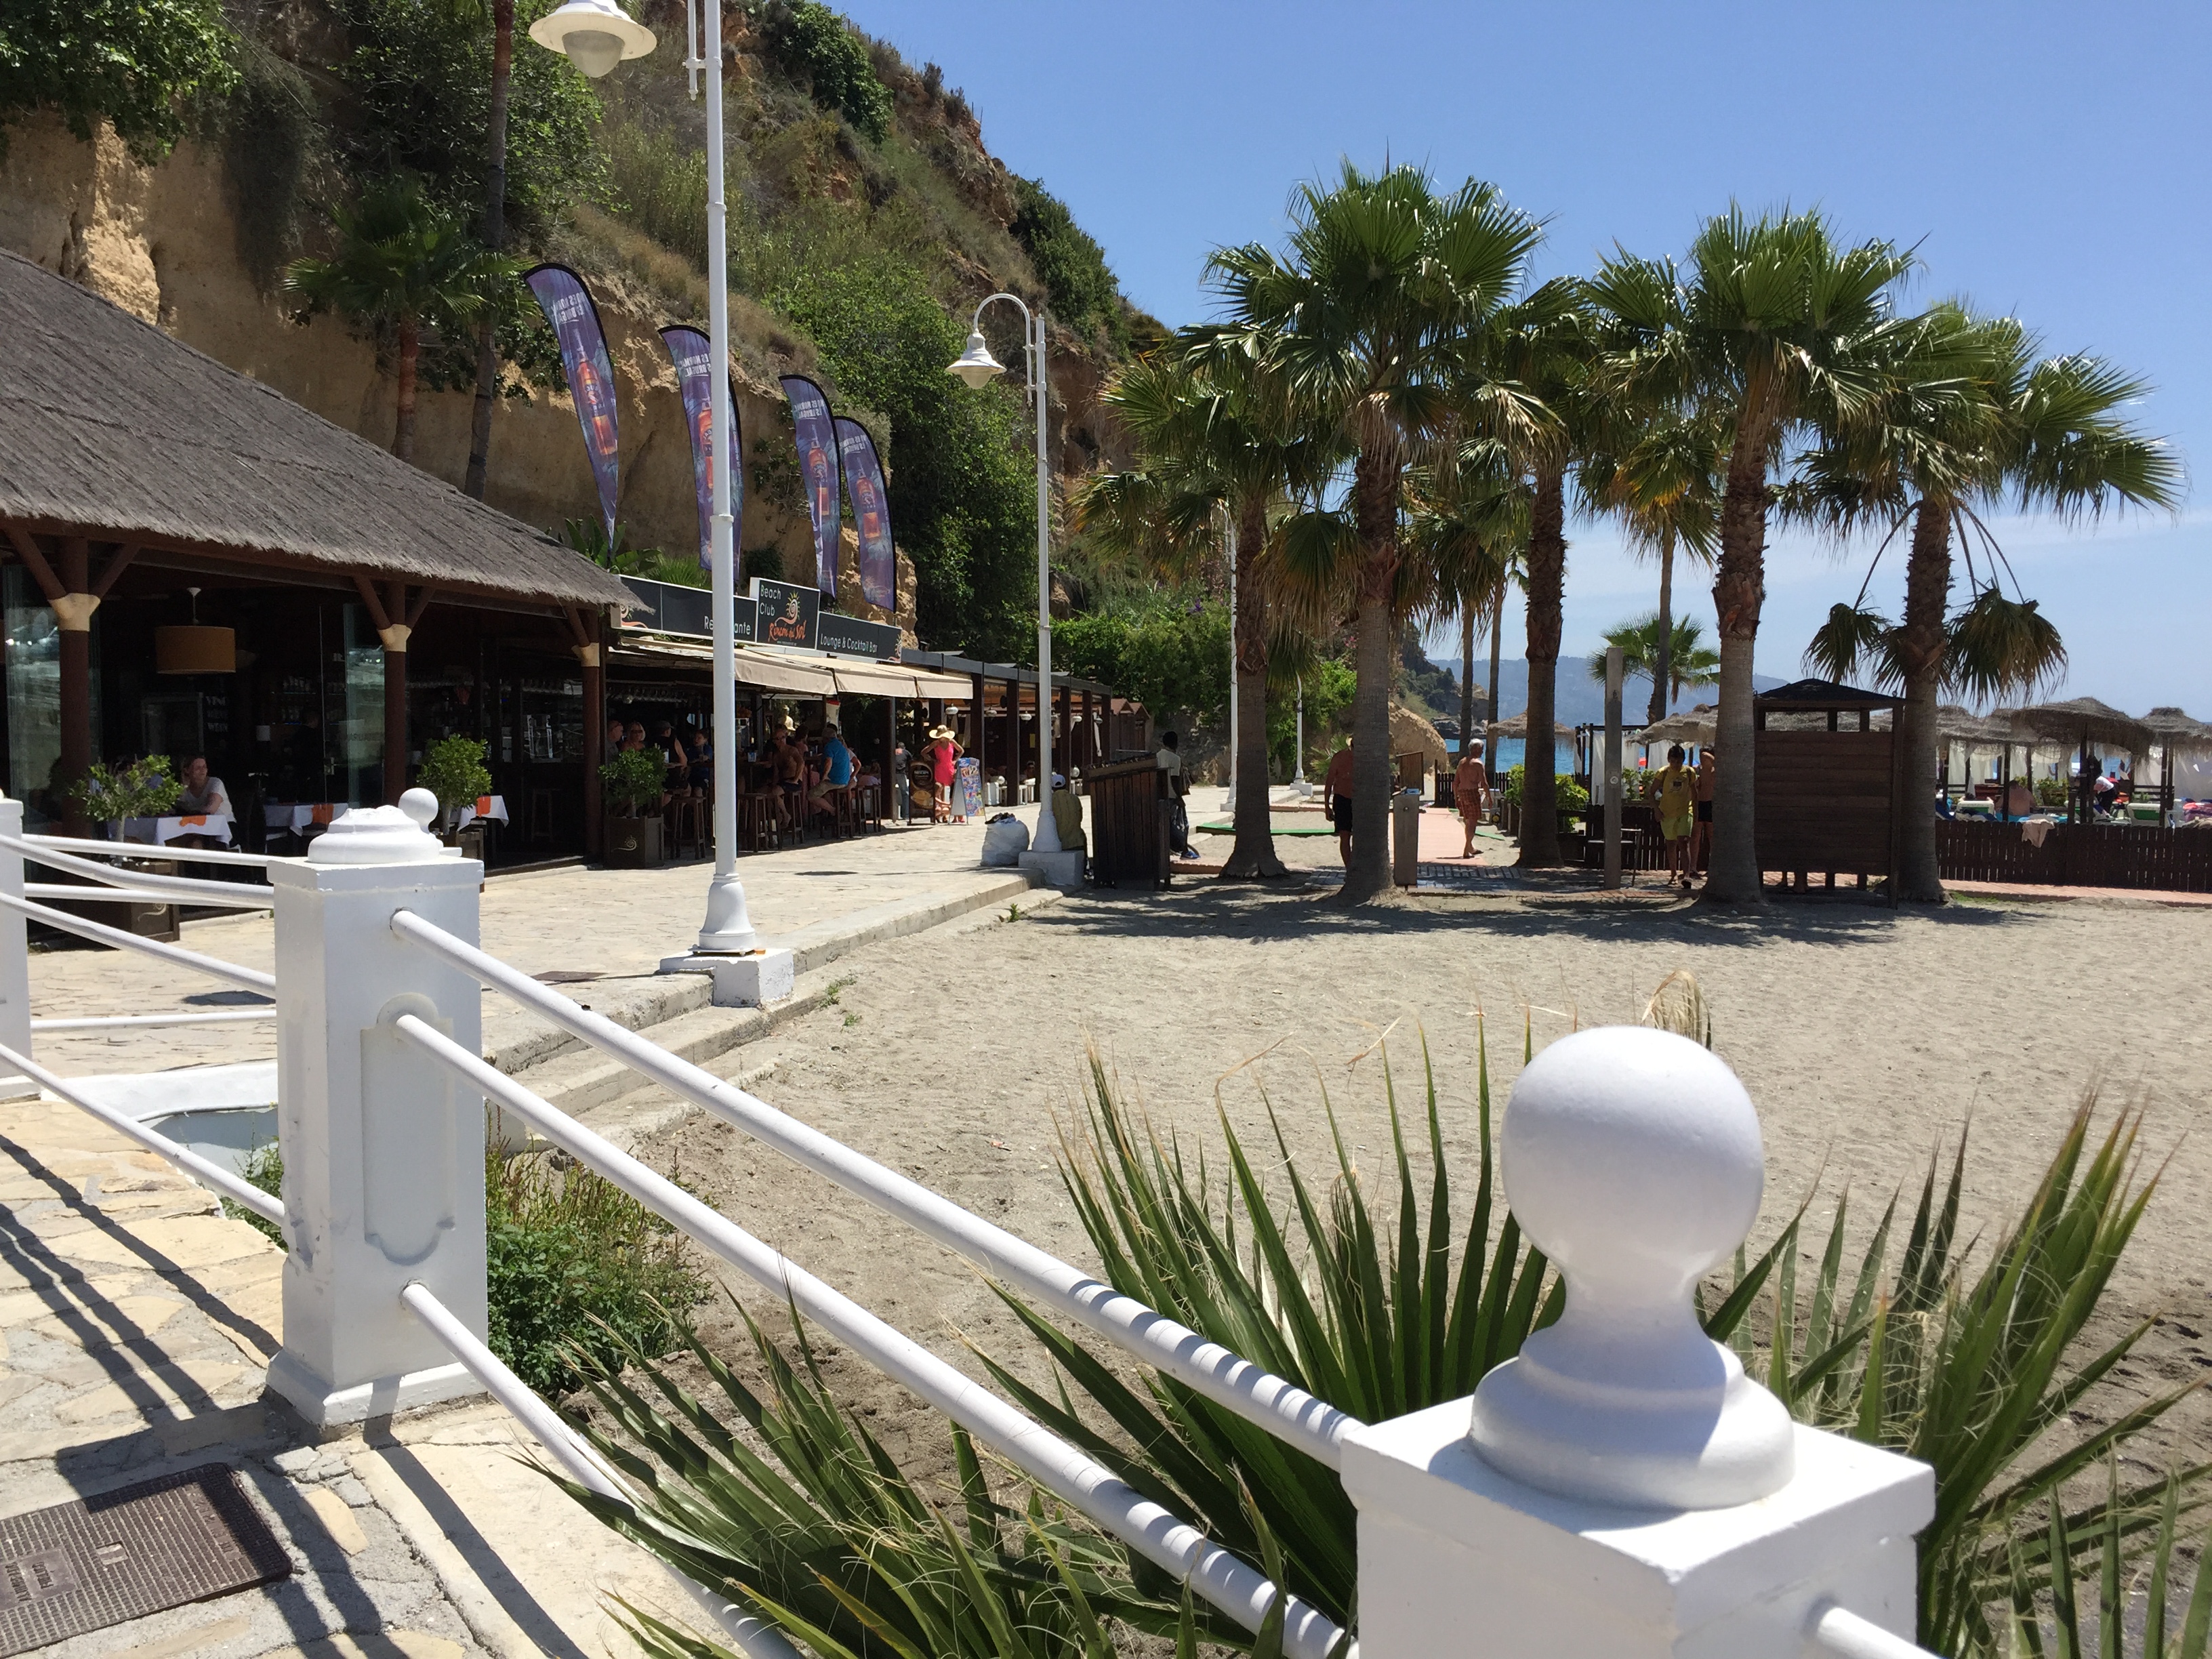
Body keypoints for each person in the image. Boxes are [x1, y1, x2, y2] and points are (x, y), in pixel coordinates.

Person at [1650, 743, 1697, 890]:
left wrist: (1696, 813)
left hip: (1685, 811)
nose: (1676, 764)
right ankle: (1673, 873)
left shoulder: (1689, 772)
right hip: (1667, 813)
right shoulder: (1663, 773)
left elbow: (1695, 794)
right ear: (1669, 760)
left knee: (1684, 842)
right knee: (1671, 844)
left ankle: (1687, 875)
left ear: (1683, 760)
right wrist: (1657, 810)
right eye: (1673, 761)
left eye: (1679, 761)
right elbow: (1651, 792)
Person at [1156, 731, 1196, 859]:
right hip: (1172, 797)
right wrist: (1179, 798)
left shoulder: (1157, 756)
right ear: (1175, 743)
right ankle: (1184, 851)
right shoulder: (1175, 759)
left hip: (1161, 797)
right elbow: (1174, 780)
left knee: (1164, 826)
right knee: (1183, 824)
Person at [1322, 738, 1356, 868]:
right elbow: (1329, 782)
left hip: (1359, 801)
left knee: (1360, 836)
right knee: (1345, 835)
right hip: (1342, 799)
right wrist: (1327, 806)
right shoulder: (1339, 758)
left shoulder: (1366, 760)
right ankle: (1349, 869)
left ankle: (1357, 867)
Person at [1453, 742, 1488, 858]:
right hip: (1472, 793)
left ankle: (1469, 848)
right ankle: (1467, 849)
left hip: (1462, 793)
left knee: (1468, 821)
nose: (1482, 752)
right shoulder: (1478, 764)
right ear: (1475, 749)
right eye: (1481, 749)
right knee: (1472, 822)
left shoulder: (1462, 762)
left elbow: (1456, 782)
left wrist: (1456, 797)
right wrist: (1489, 797)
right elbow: (1484, 783)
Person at [926, 725, 962, 823]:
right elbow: (924, 752)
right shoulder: (936, 743)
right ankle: (942, 813)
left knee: (950, 788)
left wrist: (955, 760)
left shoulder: (952, 742)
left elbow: (961, 751)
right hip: (940, 767)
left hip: (949, 766)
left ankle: (947, 813)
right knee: (940, 788)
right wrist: (933, 760)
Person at [1693, 746, 1716, 873]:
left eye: (1704, 757)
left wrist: (1710, 756)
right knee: (1695, 837)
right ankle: (1693, 867)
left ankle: (1712, 867)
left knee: (1712, 837)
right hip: (1699, 803)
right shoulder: (1698, 770)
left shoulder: (1715, 770)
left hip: (1711, 804)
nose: (1702, 759)